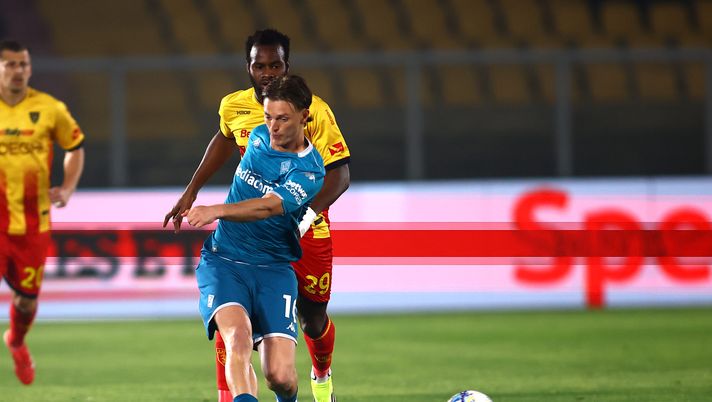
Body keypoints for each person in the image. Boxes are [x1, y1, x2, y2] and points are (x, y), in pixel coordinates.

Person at [164, 29, 350, 402]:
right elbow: (224, 139)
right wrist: (192, 190)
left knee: (313, 320)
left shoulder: (314, 113)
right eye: (259, 66)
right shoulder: (237, 109)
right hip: (242, 239)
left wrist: (306, 216)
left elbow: (340, 175)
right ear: (248, 67)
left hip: (303, 231)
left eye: (274, 65)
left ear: (286, 65)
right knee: (234, 328)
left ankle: (321, 374)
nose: (267, 73)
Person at [185, 74, 325, 402]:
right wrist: (193, 191)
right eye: (268, 116)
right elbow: (225, 142)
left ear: (304, 115)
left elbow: (267, 207)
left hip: (273, 269)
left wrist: (216, 210)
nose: (272, 126)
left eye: (282, 118)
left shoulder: (309, 172)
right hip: (224, 260)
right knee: (238, 338)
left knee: (280, 377)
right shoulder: (259, 136)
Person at [0, 40, 85, 385]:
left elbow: (75, 146)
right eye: (10, 64)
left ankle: (16, 340)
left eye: (23, 64)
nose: (18, 70)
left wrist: (67, 187)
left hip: (33, 224)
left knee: (26, 302)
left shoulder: (49, 108)